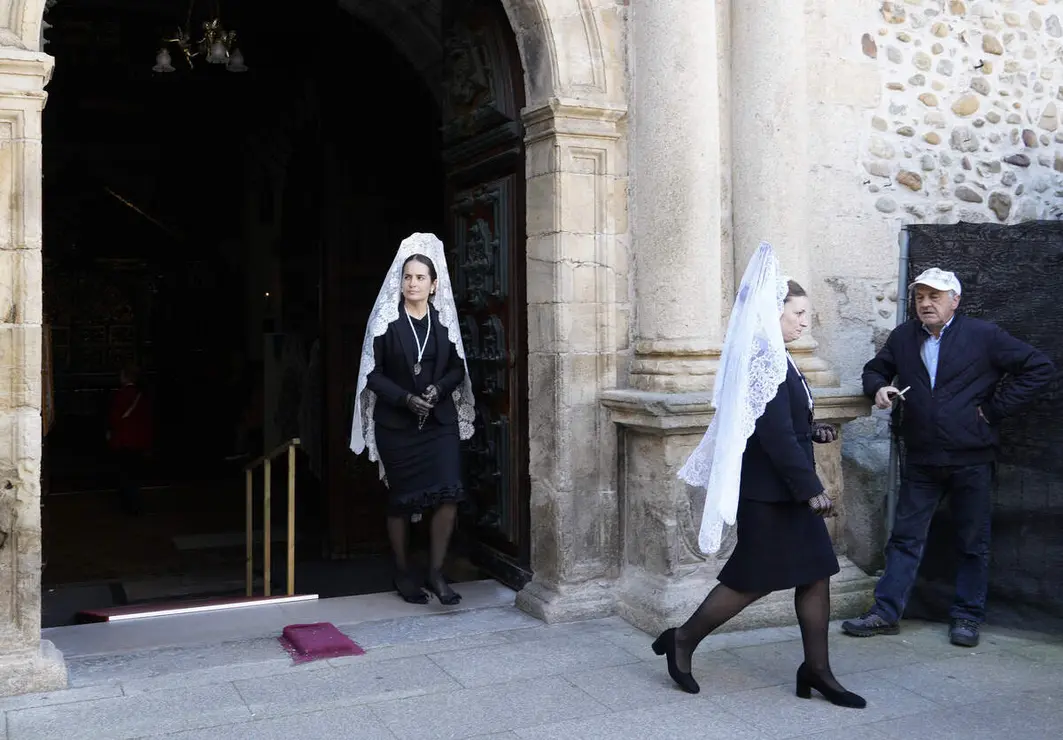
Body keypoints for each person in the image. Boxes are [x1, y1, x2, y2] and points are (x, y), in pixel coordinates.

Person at [653, 242, 865, 709]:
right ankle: (683, 639)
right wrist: (812, 490)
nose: (805, 321)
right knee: (750, 580)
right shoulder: (761, 361)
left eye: (806, 313)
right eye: (798, 312)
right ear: (774, 312)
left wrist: (813, 428)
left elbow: (779, 426)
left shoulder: (778, 358)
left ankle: (817, 670)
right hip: (771, 498)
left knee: (816, 575)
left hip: (782, 493)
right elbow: (774, 440)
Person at [843, 267, 1054, 647]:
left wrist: (992, 410)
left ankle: (967, 617)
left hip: (971, 458)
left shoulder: (983, 335)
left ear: (954, 301)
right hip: (922, 457)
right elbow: (876, 368)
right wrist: (879, 388)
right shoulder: (904, 337)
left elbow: (1039, 368)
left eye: (934, 296)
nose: (925, 303)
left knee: (973, 541)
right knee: (905, 539)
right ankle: (885, 613)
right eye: (920, 296)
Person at [350, 233, 476, 605]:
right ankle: (403, 572)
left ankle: (436, 574)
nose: (413, 283)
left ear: (434, 285)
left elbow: (457, 368)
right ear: (400, 281)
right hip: (398, 426)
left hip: (439, 425)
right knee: (402, 501)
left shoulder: (443, 322)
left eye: (421, 278)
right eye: (408, 277)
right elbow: (370, 374)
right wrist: (405, 398)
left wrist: (438, 390)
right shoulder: (386, 324)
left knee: (449, 493)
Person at [107, 364, 154, 515]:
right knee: (135, 474)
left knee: (124, 474)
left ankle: (128, 505)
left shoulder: (120, 395)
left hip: (123, 441)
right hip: (139, 441)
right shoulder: (143, 395)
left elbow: (115, 418)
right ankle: (136, 504)